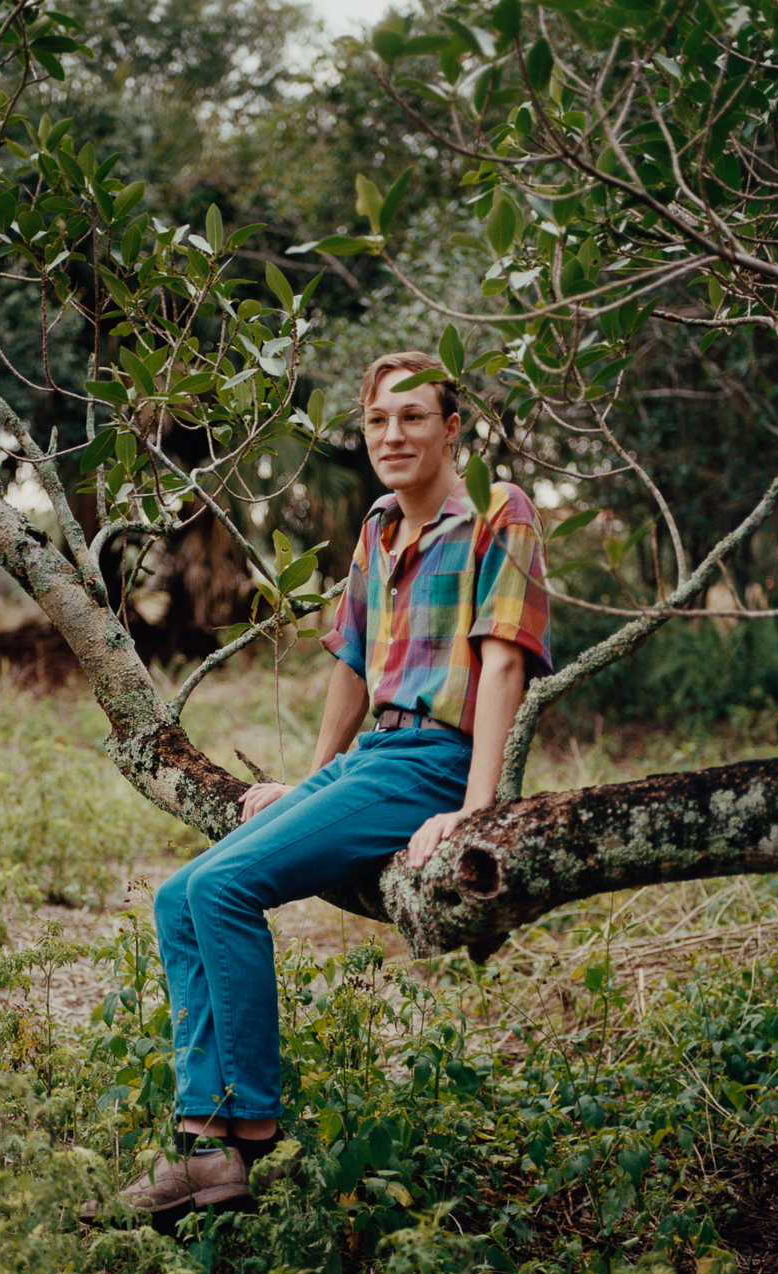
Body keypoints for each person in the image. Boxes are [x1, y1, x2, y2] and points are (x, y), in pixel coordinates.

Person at [103, 350, 552, 1221]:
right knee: (175, 895)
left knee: (226, 889)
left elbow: (503, 668)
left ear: (452, 428)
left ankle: (244, 1135)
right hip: (370, 759)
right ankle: (204, 1143)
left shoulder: (502, 514)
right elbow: (350, 661)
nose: (394, 434)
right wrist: (308, 781)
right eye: (380, 419)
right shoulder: (379, 525)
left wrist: (476, 808)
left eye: (415, 417)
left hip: (434, 761)